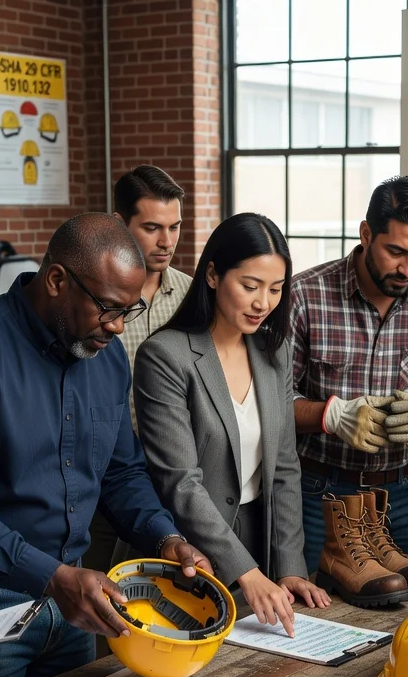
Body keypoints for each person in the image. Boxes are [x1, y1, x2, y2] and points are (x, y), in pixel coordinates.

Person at [0, 213, 211, 677]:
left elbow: (121, 473)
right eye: (107, 308)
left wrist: (163, 537)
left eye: (128, 311)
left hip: (73, 597)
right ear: (57, 280)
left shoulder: (107, 358)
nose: (116, 327)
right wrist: (54, 578)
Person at [134, 214, 329, 636]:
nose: (263, 303)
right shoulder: (166, 356)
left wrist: (289, 566)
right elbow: (180, 483)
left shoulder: (274, 353)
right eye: (250, 286)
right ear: (212, 274)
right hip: (187, 551)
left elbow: (284, 468)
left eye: (276, 289)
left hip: (259, 536)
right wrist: (248, 571)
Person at [291, 176, 408, 571]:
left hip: (405, 492)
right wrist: (331, 416)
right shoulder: (304, 295)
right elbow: (267, 401)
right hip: (317, 492)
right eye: (396, 251)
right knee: (311, 610)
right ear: (366, 234)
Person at [84, 165, 192, 572]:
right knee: (93, 601)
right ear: (119, 224)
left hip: (172, 480)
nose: (167, 242)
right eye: (151, 228)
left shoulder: (191, 296)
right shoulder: (91, 300)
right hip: (101, 478)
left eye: (175, 226)